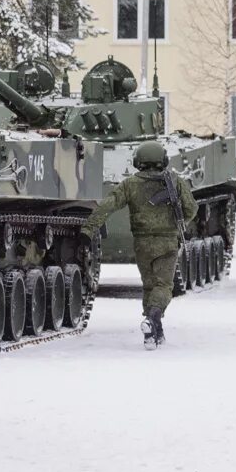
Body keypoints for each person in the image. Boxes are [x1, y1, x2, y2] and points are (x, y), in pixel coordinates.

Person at [81, 141, 198, 348]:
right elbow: (191, 208)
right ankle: (152, 319)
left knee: (149, 286)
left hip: (142, 243)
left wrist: (89, 228)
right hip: (167, 242)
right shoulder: (175, 181)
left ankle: (153, 333)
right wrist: (178, 222)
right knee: (163, 286)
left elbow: (108, 205)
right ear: (163, 160)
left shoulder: (130, 184)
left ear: (138, 161)